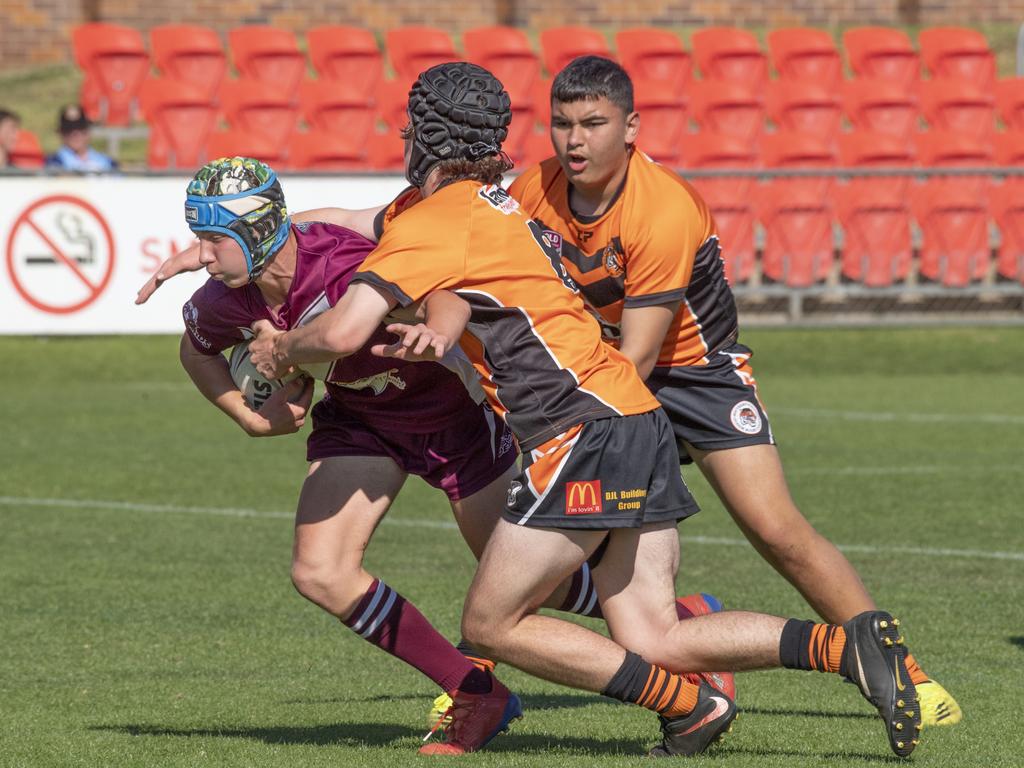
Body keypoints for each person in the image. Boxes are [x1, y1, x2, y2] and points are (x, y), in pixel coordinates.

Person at [246, 62, 924, 759]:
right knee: (654, 634)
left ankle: (690, 704)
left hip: (582, 433)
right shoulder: (493, 206)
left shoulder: (440, 220)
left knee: (493, 622)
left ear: (419, 139)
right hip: (637, 419)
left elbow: (342, 332)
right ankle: (847, 644)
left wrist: (282, 349)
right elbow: (384, 242)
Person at [154, 155, 732, 746]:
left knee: (534, 588)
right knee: (320, 572)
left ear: (255, 232)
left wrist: (441, 328)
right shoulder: (224, 300)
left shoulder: (343, 260)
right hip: (361, 420)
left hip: (454, 420)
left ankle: (685, 627)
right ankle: (475, 691)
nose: (201, 254)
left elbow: (449, 288)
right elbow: (196, 351)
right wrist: (248, 415)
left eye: (211, 239)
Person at [505, 55, 960, 729]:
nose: (575, 140)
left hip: (695, 376)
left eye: (594, 123)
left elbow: (640, 353)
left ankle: (905, 672)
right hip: (610, 376)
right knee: (534, 522)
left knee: (776, 531)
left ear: (631, 127)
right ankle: (480, 670)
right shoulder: (531, 191)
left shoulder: (662, 208)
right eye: (562, 124)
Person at [45, 104, 117, 173]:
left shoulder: (107, 162)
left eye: (80, 127)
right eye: (68, 128)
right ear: (60, 133)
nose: (75, 134)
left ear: (88, 130)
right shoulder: (52, 164)